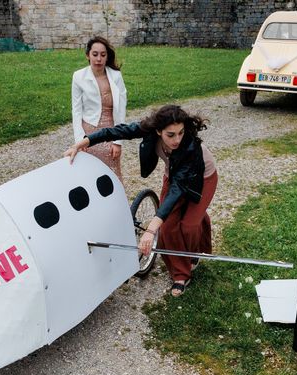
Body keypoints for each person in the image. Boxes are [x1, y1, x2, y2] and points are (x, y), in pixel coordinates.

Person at [65, 105, 218, 297]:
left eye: (181, 133)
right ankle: (181, 275)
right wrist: (83, 142)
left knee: (188, 224)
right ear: (158, 130)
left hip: (202, 179)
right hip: (175, 175)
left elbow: (177, 191)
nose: (177, 139)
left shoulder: (190, 148)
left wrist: (150, 230)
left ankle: (195, 246)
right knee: (169, 226)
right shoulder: (148, 128)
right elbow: (117, 131)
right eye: (170, 135)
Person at [71, 36, 127, 182]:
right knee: (89, 177)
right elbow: (76, 111)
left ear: (107, 56)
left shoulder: (116, 76)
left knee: (112, 177)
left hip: (111, 131)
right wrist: (80, 140)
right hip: (89, 132)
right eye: (95, 54)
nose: (98, 59)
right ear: (87, 55)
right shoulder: (78, 76)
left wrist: (117, 142)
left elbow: (121, 110)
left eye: (103, 55)